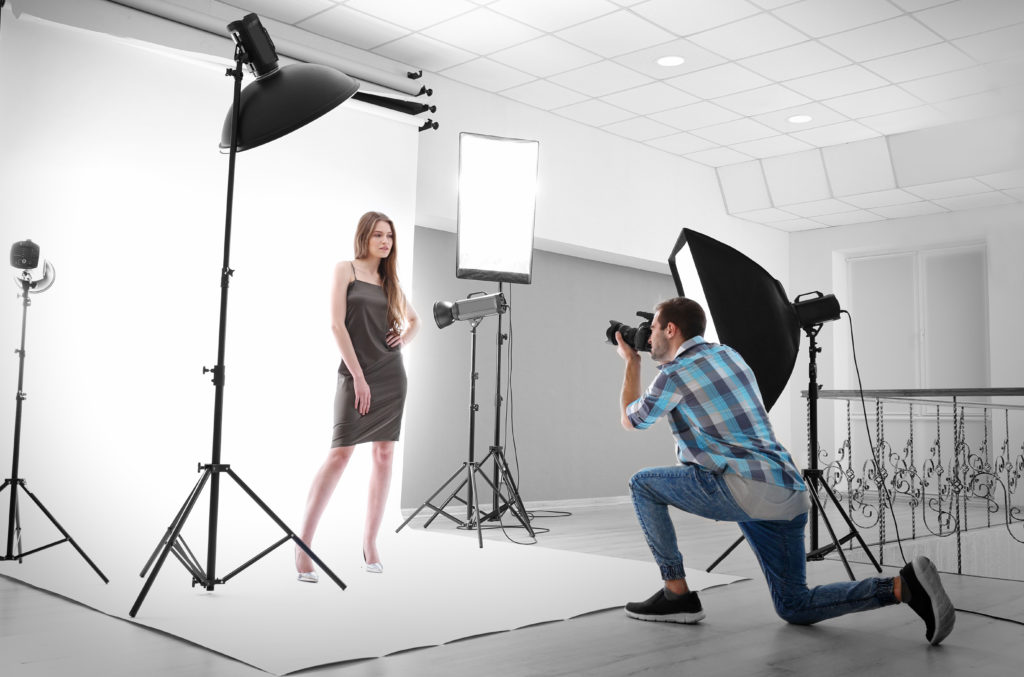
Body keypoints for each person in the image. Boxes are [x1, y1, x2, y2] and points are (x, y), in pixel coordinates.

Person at [614, 296, 955, 645]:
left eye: (653, 329)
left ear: (671, 329)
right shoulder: (729, 354)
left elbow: (631, 419)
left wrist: (632, 361)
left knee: (642, 484)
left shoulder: (675, 374)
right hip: (787, 489)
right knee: (794, 605)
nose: (648, 335)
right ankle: (903, 586)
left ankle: (677, 596)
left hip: (744, 488)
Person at [295, 211, 419, 581]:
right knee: (339, 455)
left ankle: (370, 543)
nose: (385, 242)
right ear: (364, 236)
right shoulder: (345, 270)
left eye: (390, 237)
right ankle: (303, 546)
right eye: (379, 235)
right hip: (356, 374)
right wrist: (359, 377)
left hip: (391, 375)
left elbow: (415, 322)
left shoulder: (389, 279)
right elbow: (336, 324)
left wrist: (404, 338)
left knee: (383, 455)